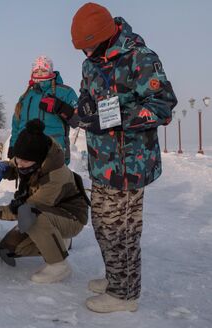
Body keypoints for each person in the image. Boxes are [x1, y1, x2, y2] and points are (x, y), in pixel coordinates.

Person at [70, 2, 177, 312]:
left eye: (89, 47)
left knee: (122, 229)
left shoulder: (140, 58)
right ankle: (115, 277)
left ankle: (124, 294)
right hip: (101, 161)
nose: (86, 54)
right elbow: (86, 96)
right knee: (102, 222)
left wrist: (113, 116)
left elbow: (162, 105)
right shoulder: (91, 63)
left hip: (130, 163)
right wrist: (85, 108)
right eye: (82, 49)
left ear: (105, 36)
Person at [0, 120, 88, 283]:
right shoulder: (31, 158)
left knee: (30, 214)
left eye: (25, 161)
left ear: (38, 160)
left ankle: (58, 265)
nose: (19, 164)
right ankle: (58, 240)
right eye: (18, 158)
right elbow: (19, 163)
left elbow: (29, 207)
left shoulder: (55, 175)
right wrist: (5, 167)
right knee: (8, 248)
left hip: (71, 216)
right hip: (48, 212)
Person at [8, 55, 78, 165]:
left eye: (43, 70)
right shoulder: (25, 97)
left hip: (53, 151)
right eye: (36, 70)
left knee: (53, 181)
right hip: (27, 153)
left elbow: (79, 120)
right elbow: (16, 126)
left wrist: (61, 107)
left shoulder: (64, 92)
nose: (39, 73)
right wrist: (13, 146)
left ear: (50, 71)